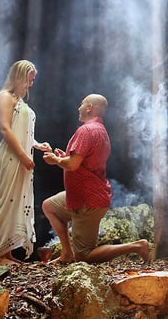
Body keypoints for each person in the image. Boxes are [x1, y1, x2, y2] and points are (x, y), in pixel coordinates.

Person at [42, 93, 151, 263]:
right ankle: (66, 253)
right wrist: (64, 157)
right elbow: (81, 161)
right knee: (50, 206)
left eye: (82, 104)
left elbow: (72, 165)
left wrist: (55, 160)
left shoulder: (86, 130)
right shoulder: (100, 130)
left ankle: (137, 246)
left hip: (87, 200)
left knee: (85, 255)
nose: (79, 108)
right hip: (82, 195)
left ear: (89, 108)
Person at [0, 59, 52, 265]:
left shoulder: (21, 102)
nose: (30, 84)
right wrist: (24, 156)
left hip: (23, 156)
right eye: (29, 80)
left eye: (32, 81)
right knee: (6, 200)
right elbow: (6, 130)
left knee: (16, 202)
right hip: (11, 156)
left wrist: (36, 145)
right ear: (19, 77)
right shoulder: (5, 97)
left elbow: (22, 132)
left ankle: (8, 253)